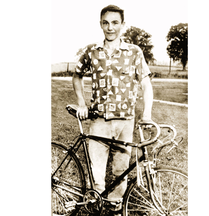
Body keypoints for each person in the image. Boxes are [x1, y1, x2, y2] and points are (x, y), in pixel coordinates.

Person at [72, 4, 153, 215]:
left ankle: (116, 208)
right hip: (99, 120)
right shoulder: (91, 51)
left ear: (123, 25)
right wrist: (81, 102)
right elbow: (77, 75)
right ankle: (96, 206)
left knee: (120, 170)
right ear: (100, 24)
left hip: (125, 121)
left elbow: (146, 85)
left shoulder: (134, 52)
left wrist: (146, 114)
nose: (110, 27)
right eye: (106, 22)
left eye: (115, 23)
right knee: (96, 170)